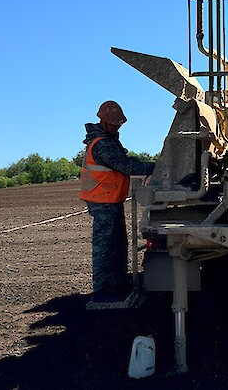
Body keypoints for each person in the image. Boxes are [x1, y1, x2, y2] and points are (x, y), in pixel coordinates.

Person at [80, 100, 154, 308]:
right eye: (113, 124)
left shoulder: (108, 140)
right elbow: (126, 165)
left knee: (117, 244)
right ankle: (102, 290)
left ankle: (116, 283)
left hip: (110, 200)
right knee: (105, 248)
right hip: (102, 201)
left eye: (118, 125)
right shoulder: (101, 144)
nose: (116, 127)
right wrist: (154, 167)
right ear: (103, 121)